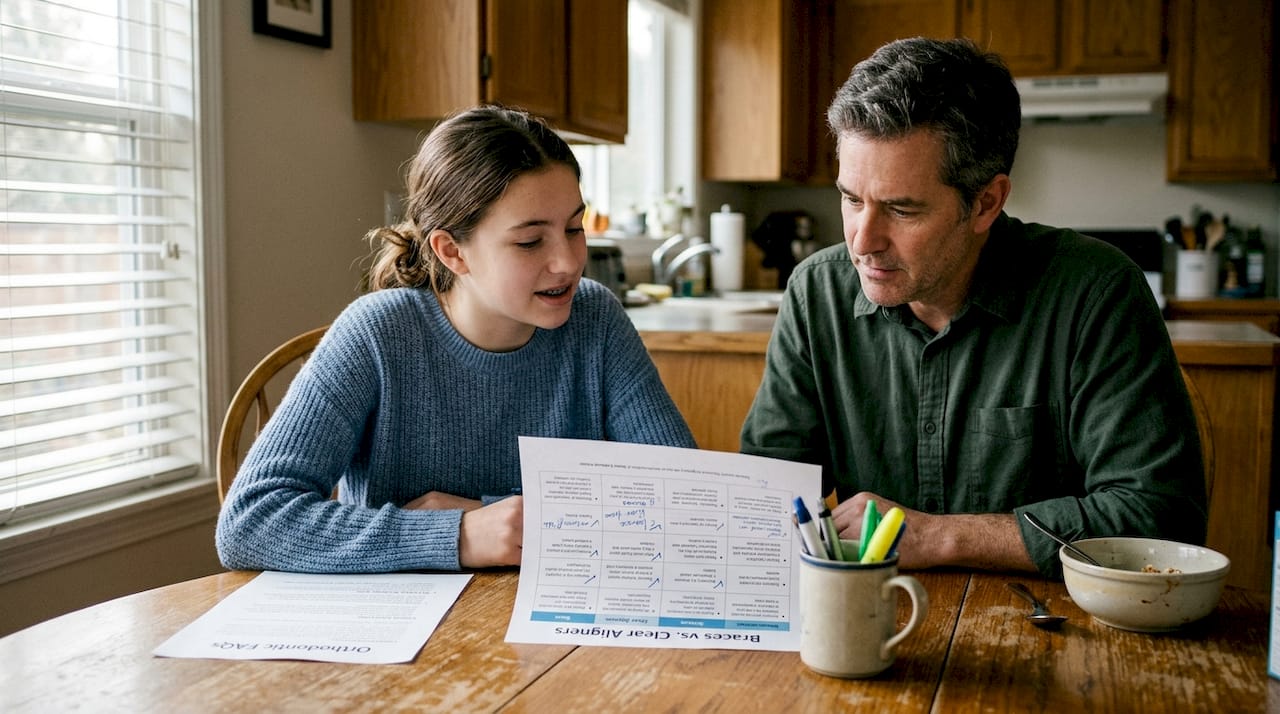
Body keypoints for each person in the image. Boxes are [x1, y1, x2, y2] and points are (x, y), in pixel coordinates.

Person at [740, 38, 1207, 577]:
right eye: (851, 199)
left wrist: (942, 536)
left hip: (1052, 624)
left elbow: (1163, 520)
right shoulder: (815, 292)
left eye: (901, 209)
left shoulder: (1096, 293)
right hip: (874, 614)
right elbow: (767, 493)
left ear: (986, 202)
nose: (862, 241)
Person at [217, 106, 696, 573]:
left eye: (574, 228)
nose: (568, 263)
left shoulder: (596, 318)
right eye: (530, 241)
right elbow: (250, 521)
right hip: (401, 634)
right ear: (452, 252)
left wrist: (484, 517)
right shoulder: (376, 334)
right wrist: (462, 537)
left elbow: (689, 500)